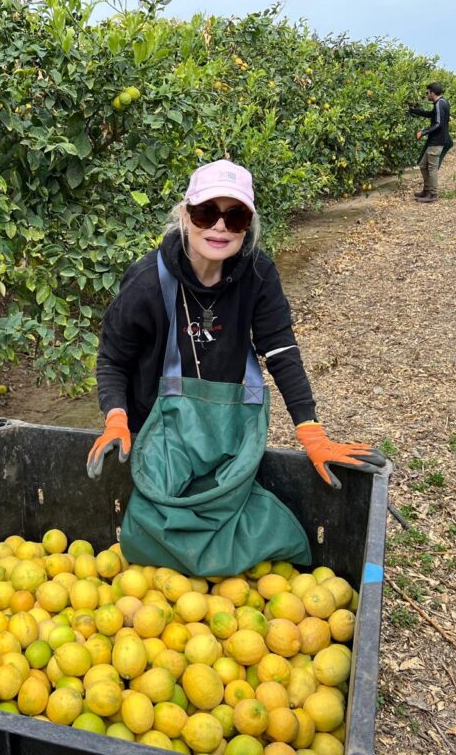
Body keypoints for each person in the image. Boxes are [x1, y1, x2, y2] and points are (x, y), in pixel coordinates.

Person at [84, 159, 386, 575]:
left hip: (226, 428)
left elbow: (280, 350)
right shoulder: (147, 282)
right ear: (185, 215)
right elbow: (113, 359)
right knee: (159, 521)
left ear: (248, 224)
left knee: (225, 513)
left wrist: (310, 429)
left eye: (236, 215)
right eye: (208, 212)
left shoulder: (257, 274)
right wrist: (116, 418)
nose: (220, 227)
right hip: (157, 427)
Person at [408, 82, 452, 203]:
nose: (426, 95)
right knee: (423, 165)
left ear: (432, 93)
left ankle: (433, 195)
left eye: (427, 93)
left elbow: (438, 124)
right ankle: (427, 190)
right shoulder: (442, 102)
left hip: (437, 141)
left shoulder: (439, 104)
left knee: (432, 168)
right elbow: (431, 115)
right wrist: (414, 110)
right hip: (436, 140)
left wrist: (423, 132)